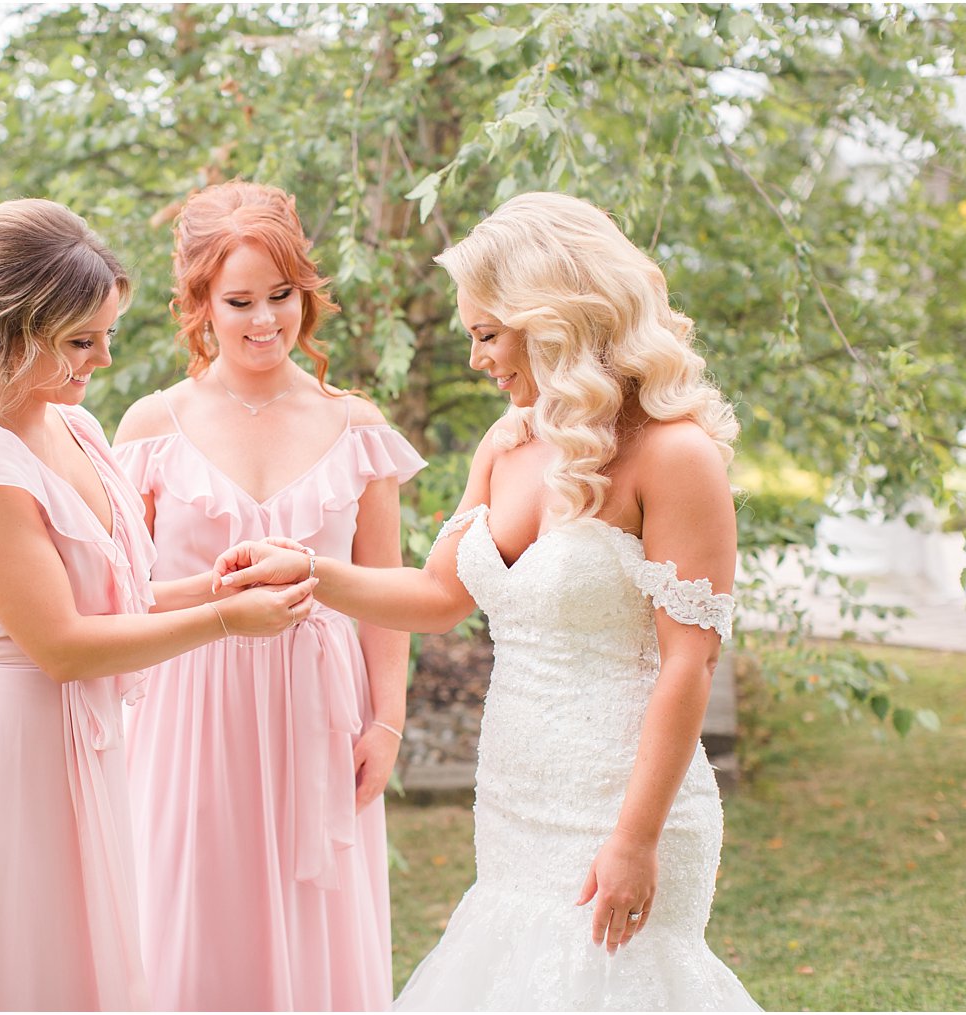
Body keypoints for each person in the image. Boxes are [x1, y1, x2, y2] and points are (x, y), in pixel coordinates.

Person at [216, 192, 760, 1010]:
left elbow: (690, 661)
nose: (476, 359)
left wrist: (635, 839)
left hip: (624, 801)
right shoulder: (507, 442)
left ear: (553, 319)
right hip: (514, 805)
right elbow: (438, 596)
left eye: (485, 334)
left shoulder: (675, 454)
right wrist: (308, 570)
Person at [0, 197, 317, 1012]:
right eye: (82, 340)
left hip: (81, 745)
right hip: (9, 761)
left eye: (106, 333)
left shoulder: (68, 426)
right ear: (9, 334)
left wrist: (221, 585)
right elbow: (65, 645)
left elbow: (115, 596)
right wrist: (223, 623)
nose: (105, 359)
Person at [112, 181, 425, 1011]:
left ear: (306, 293)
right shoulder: (150, 426)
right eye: (239, 299)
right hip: (186, 715)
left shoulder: (357, 426)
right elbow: (117, 593)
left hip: (320, 716)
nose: (264, 321)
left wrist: (386, 721)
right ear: (200, 302)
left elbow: (390, 595)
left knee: (316, 932)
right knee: (192, 929)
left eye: (281, 296)